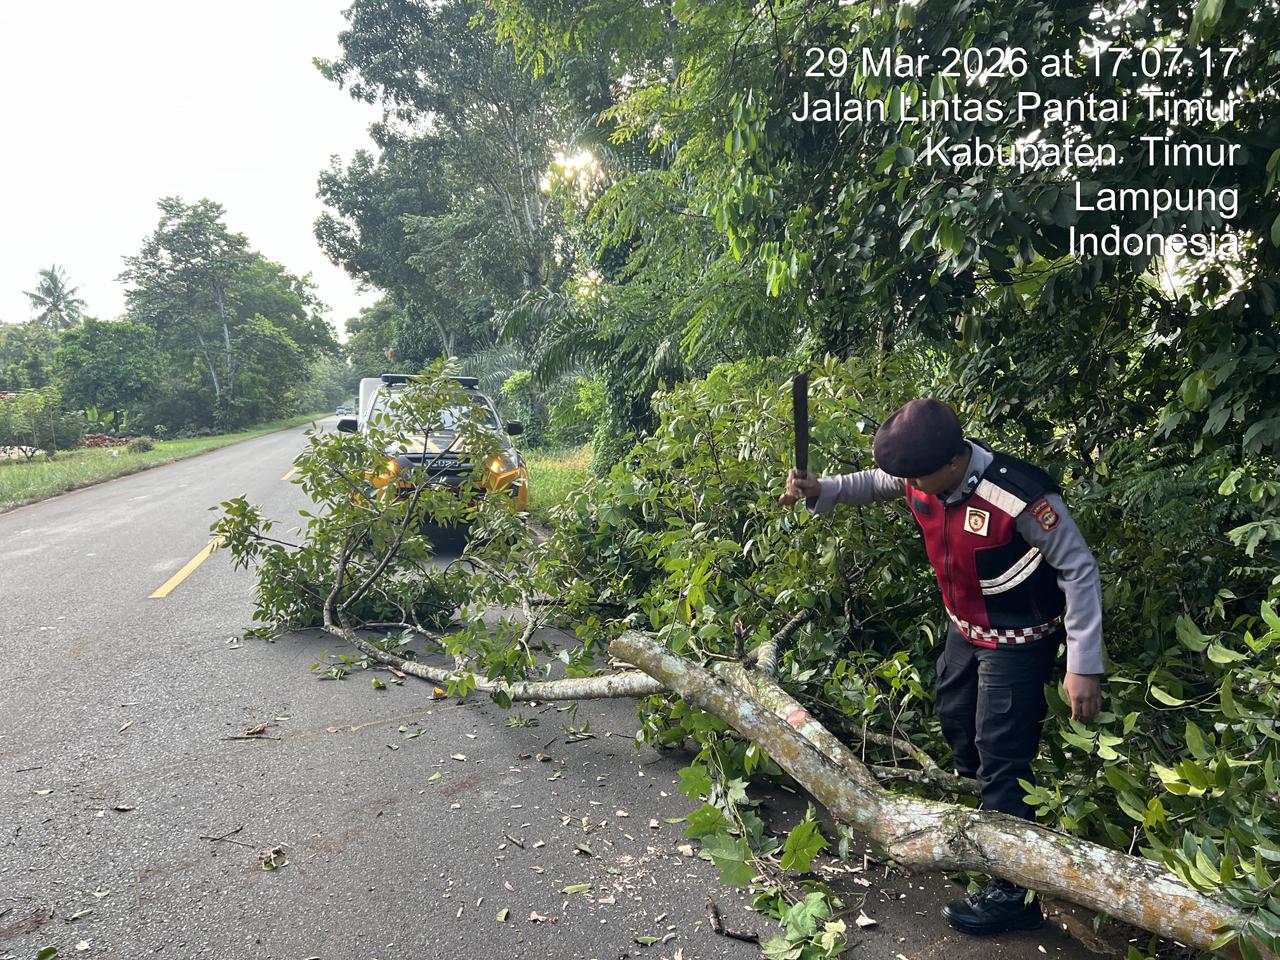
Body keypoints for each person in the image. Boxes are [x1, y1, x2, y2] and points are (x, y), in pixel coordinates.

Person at [781, 397, 1105, 936]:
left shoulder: (1020, 496)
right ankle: (984, 819)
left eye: (916, 479)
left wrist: (1083, 663)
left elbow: (1078, 568)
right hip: (964, 628)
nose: (909, 487)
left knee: (1001, 752)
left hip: (1018, 640)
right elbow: (877, 482)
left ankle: (1013, 891)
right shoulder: (923, 472)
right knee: (955, 719)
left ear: (954, 462)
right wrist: (823, 489)